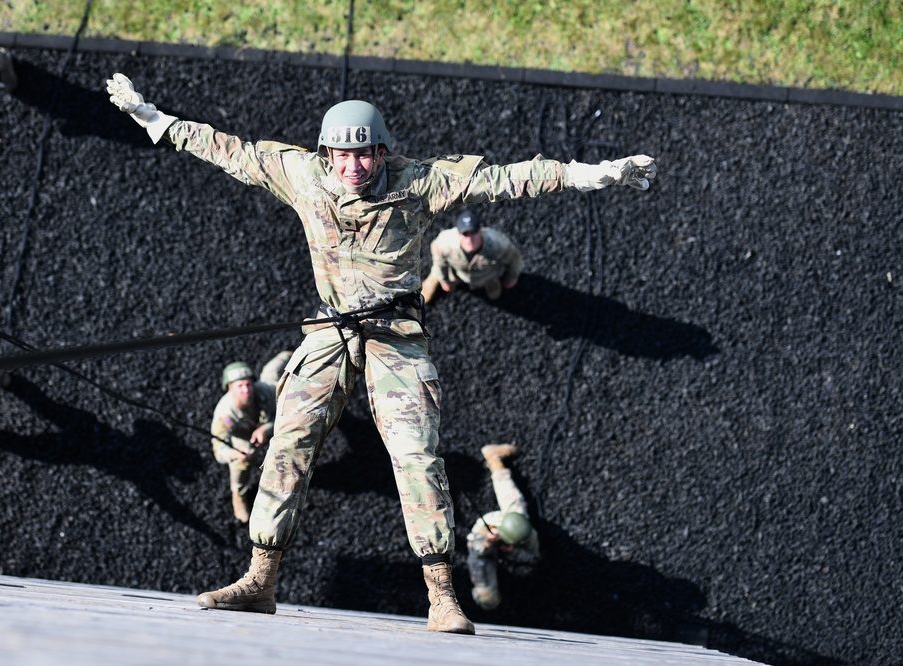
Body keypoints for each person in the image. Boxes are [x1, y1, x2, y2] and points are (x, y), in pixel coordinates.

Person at [106, 72, 655, 636]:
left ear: (382, 152)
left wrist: (595, 174)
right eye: (341, 155)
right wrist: (152, 117)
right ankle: (261, 579)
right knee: (290, 440)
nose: (352, 167)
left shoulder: (417, 185)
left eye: (363, 155)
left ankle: (441, 596)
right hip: (330, 330)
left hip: (395, 333)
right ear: (327, 155)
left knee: (417, 455)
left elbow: (506, 179)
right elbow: (230, 151)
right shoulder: (304, 176)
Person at [211, 350, 292, 524]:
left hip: (270, 421)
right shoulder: (225, 414)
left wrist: (266, 429)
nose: (246, 390)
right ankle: (238, 494)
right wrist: (234, 454)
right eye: (239, 386)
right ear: (229, 389)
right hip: (243, 438)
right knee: (241, 464)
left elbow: (286, 411)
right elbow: (218, 449)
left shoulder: (265, 391)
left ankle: (289, 353)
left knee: (273, 373)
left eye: (248, 384)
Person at [466, 444, 540, 611]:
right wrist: (488, 543)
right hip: (485, 542)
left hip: (511, 525)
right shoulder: (488, 527)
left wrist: (514, 552)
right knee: (487, 598)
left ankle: (494, 460)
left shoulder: (523, 528)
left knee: (516, 506)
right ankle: (487, 602)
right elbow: (475, 551)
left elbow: (533, 556)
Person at [421, 210, 523, 304]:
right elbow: (439, 261)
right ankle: (435, 278)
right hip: (457, 273)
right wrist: (444, 281)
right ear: (458, 234)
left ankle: (491, 282)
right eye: (465, 234)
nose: (470, 239)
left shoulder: (497, 243)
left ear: (480, 231)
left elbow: (515, 259)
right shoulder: (445, 243)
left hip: (487, 275)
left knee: (495, 292)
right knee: (438, 271)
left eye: (473, 232)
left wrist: (512, 278)